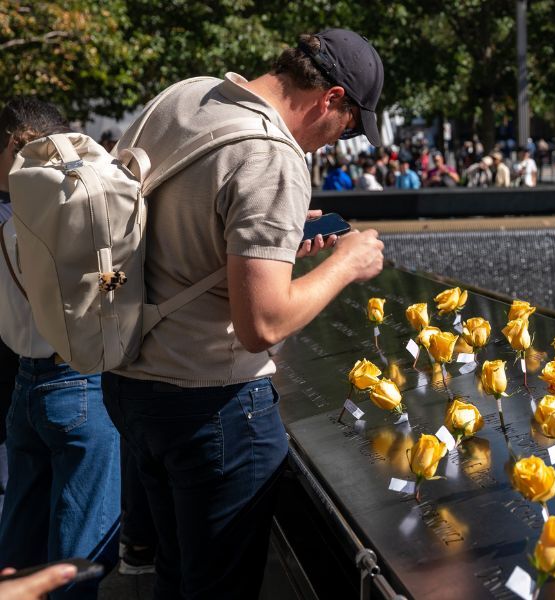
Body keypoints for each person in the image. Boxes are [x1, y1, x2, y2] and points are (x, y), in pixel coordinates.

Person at [107, 29, 386, 598]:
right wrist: (346, 264)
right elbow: (263, 325)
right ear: (331, 98)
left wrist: (273, 238)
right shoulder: (273, 156)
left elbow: (174, 225)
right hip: (211, 408)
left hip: (131, 381)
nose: (341, 141)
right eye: (352, 124)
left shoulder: (188, 96)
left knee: (176, 573)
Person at [0, 97, 121, 599]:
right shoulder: (80, 214)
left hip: (25, 384)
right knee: (79, 558)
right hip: (80, 383)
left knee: (18, 560)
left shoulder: (10, 218)